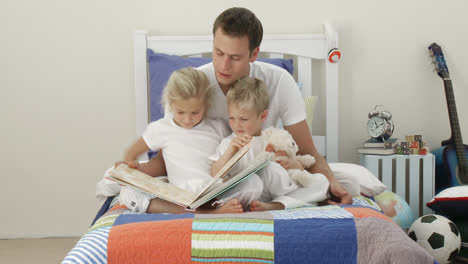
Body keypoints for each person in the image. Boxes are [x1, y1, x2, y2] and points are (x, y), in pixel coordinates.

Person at [128, 7, 352, 207]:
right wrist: (139, 171)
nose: (223, 66)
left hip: (261, 178)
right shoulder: (191, 88)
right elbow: (171, 153)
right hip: (209, 181)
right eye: (218, 53)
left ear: (254, 54)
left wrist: (332, 183)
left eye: (235, 57)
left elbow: (307, 150)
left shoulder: (280, 81)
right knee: (130, 193)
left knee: (324, 182)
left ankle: (276, 205)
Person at [116, 67, 262, 214]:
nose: (187, 119)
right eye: (180, 112)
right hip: (181, 193)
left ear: (206, 104)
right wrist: (131, 169)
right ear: (170, 103)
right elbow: (133, 151)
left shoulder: (218, 127)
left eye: (195, 112)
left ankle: (213, 207)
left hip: (213, 190)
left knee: (254, 183)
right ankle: (208, 213)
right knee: (127, 193)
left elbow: (227, 158)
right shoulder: (161, 129)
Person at [210, 77, 330, 211]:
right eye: (231, 118)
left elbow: (294, 163)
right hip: (249, 192)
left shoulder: (273, 138)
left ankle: (276, 205)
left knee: (321, 181)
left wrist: (296, 165)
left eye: (243, 119)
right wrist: (231, 151)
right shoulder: (229, 143)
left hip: (279, 192)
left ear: (263, 116)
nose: (236, 124)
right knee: (253, 182)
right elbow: (215, 174)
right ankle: (225, 207)